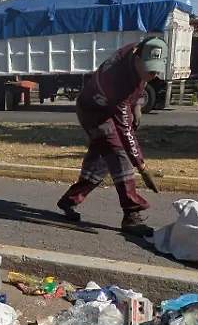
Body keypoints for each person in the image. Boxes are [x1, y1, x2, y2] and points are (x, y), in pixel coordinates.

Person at [56, 37, 167, 237]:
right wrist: (142, 167)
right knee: (119, 153)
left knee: (100, 162)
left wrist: (137, 104)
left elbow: (138, 81)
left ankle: (70, 200)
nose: (154, 74)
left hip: (106, 106)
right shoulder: (118, 82)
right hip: (94, 112)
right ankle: (131, 215)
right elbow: (125, 131)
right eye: (150, 69)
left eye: (157, 69)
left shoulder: (134, 51)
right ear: (137, 58)